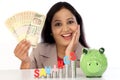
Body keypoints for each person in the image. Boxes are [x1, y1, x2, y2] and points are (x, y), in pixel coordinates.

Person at [14, 1, 89, 69]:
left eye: (70, 22)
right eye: (58, 24)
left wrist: (69, 55)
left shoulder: (89, 56)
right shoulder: (38, 51)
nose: (65, 29)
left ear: (78, 26)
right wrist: (25, 62)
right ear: (51, 31)